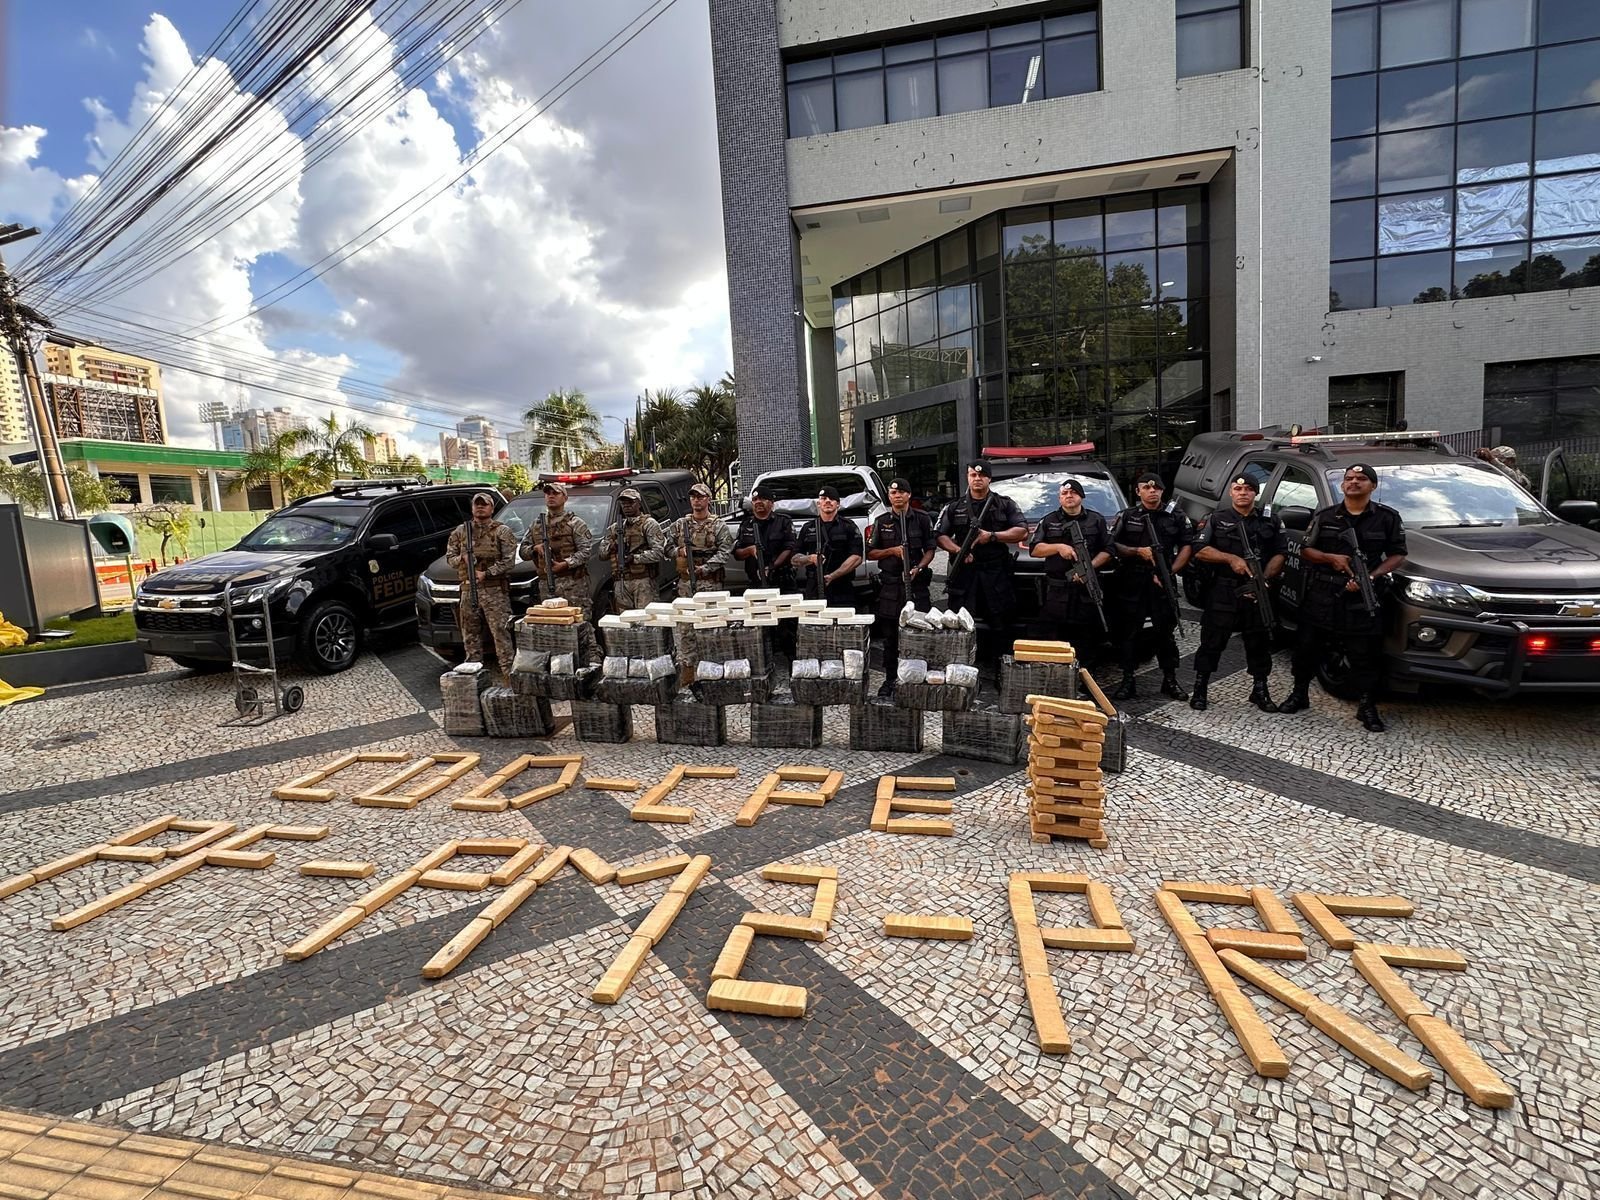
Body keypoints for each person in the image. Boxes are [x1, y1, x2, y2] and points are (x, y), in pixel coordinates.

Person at [1279, 462, 1408, 731]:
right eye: (1349, 478)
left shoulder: (1387, 517)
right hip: (1323, 593)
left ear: (1373, 486)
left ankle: (1366, 705)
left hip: (1362, 596)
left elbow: (1398, 554)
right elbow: (1306, 550)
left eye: (1361, 479)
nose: (1354, 482)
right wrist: (1330, 558)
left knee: (1365, 655)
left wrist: (1370, 577)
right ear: (1342, 485)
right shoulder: (1326, 516)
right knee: (1306, 648)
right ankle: (1299, 694)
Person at [1189, 475, 1286, 713]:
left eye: (1248, 489)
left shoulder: (1270, 520)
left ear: (1256, 493)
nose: (1243, 493)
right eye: (1238, 488)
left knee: (1259, 642)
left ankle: (1260, 690)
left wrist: (1264, 578)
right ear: (1231, 493)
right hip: (1223, 590)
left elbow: (1280, 552)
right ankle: (1200, 688)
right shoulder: (1216, 519)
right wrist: (1230, 558)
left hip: (1258, 591)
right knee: (1212, 641)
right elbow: (1199, 550)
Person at [1109, 472, 1194, 701]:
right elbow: (1112, 544)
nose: (1152, 491)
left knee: (1165, 632)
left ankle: (1170, 679)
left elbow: (1187, 545)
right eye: (1146, 488)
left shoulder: (1175, 515)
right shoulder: (1127, 516)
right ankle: (1128, 680)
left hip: (1161, 581)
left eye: (1156, 487)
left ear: (1162, 491)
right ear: (1138, 492)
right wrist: (1137, 552)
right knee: (1128, 632)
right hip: (1131, 581)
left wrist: (1171, 571)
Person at [936, 462, 1028, 667]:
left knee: (1000, 622)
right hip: (964, 573)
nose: (977, 479)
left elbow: (1021, 531)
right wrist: (957, 550)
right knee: (959, 621)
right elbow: (940, 535)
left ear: (989, 479)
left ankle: (1001, 668)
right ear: (968, 478)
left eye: (982, 475)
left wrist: (992, 536)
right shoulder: (954, 506)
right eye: (972, 475)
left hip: (995, 573)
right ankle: (960, 666)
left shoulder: (1004, 504)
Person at [1027, 479, 1113, 663]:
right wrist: (1058, 547)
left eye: (1073, 493)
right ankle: (1058, 676)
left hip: (1086, 589)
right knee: (1055, 636)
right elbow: (1035, 549)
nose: (1069, 496)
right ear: (1059, 498)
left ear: (1081, 496)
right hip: (1057, 592)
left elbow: (1109, 550)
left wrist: (1087, 569)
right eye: (1064, 494)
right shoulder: (1049, 520)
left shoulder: (1096, 520)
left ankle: (1085, 677)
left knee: (1087, 637)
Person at [866, 476, 935, 698]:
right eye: (892, 493)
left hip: (916, 586)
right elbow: (870, 553)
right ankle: (890, 680)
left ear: (908, 495)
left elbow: (931, 549)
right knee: (890, 637)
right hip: (890, 587)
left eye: (900, 492)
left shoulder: (922, 519)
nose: (896, 496)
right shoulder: (881, 521)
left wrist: (919, 568)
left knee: (919, 633)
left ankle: (918, 679)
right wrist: (892, 551)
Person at [445, 492, 518, 682]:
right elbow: (450, 559)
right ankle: (473, 678)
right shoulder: (460, 532)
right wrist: (462, 558)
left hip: (494, 591)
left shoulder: (502, 531)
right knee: (470, 636)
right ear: (472, 508)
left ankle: (509, 677)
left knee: (501, 634)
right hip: (469, 590)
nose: (480, 507)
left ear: (491, 508)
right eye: (477, 504)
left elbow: (509, 562)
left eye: (484, 504)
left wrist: (487, 573)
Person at [667, 482, 736, 678]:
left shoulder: (718, 525)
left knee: (710, 626)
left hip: (710, 583)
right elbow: (665, 547)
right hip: (685, 584)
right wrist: (679, 551)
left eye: (701, 496)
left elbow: (725, 552)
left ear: (708, 499)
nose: (697, 500)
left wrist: (705, 568)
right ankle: (688, 672)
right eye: (693, 497)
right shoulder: (680, 525)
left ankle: (711, 670)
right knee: (686, 629)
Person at [519, 480, 594, 618]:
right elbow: (522, 551)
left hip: (572, 584)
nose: (551, 496)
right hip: (546, 584)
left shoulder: (575, 523)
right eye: (548, 493)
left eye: (555, 493)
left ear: (565, 498)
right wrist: (535, 548)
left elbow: (586, 551)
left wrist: (565, 564)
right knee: (552, 624)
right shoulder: (536, 524)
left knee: (579, 623)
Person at [597, 487, 666, 614]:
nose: (627, 506)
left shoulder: (649, 524)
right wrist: (611, 547)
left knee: (646, 619)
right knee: (624, 619)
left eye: (631, 502)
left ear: (639, 504)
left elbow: (658, 552)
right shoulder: (615, 528)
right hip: (621, 581)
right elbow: (601, 554)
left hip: (643, 581)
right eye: (624, 503)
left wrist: (635, 558)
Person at [793, 485, 864, 608]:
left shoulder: (848, 526)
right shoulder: (808, 527)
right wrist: (810, 558)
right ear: (818, 504)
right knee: (814, 625)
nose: (827, 501)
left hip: (842, 586)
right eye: (824, 498)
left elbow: (857, 557)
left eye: (832, 499)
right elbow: (794, 559)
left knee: (844, 624)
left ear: (838, 504)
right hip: (814, 585)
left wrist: (833, 576)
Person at [733, 484, 796, 591]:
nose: (758, 502)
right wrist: (750, 550)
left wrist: (771, 567)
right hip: (755, 582)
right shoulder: (746, 524)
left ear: (772, 503)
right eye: (755, 499)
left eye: (762, 499)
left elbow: (790, 549)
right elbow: (737, 553)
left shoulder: (783, 522)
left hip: (783, 582)